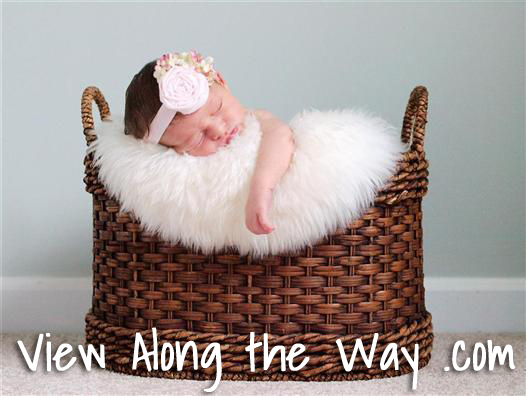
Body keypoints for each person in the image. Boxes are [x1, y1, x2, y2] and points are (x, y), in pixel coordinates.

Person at [124, 50, 295, 235]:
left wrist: (262, 188)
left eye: (217, 109)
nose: (219, 131)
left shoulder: (256, 120)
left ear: (222, 82)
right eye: (196, 139)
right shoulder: (175, 177)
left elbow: (280, 136)